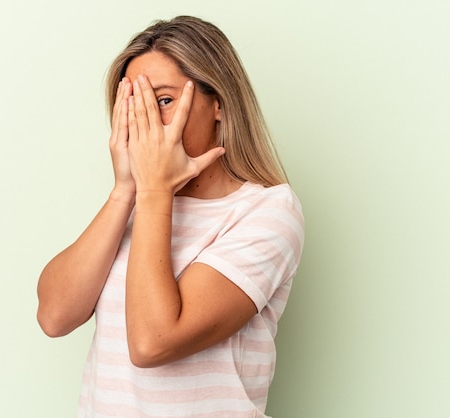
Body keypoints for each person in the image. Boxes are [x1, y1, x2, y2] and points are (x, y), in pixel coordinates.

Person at [37, 15, 305, 417]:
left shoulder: (267, 211)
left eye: (162, 101)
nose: (145, 122)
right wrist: (125, 189)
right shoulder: (137, 202)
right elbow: (54, 316)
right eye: (133, 105)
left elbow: (153, 341)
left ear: (219, 103)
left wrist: (153, 191)